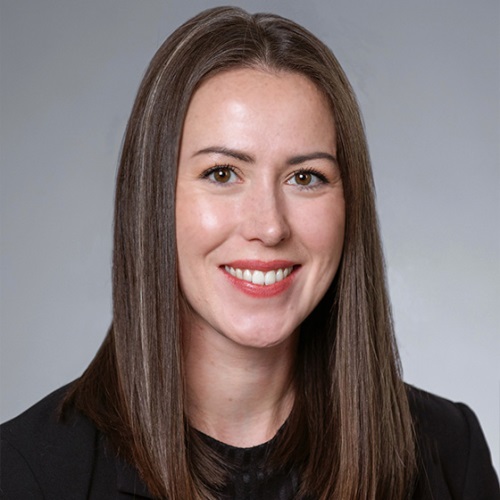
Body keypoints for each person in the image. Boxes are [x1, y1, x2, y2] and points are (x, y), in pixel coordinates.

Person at [1, 6, 498, 499]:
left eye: (305, 177)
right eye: (222, 173)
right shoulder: (28, 473)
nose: (269, 225)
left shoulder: (450, 453)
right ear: (151, 200)